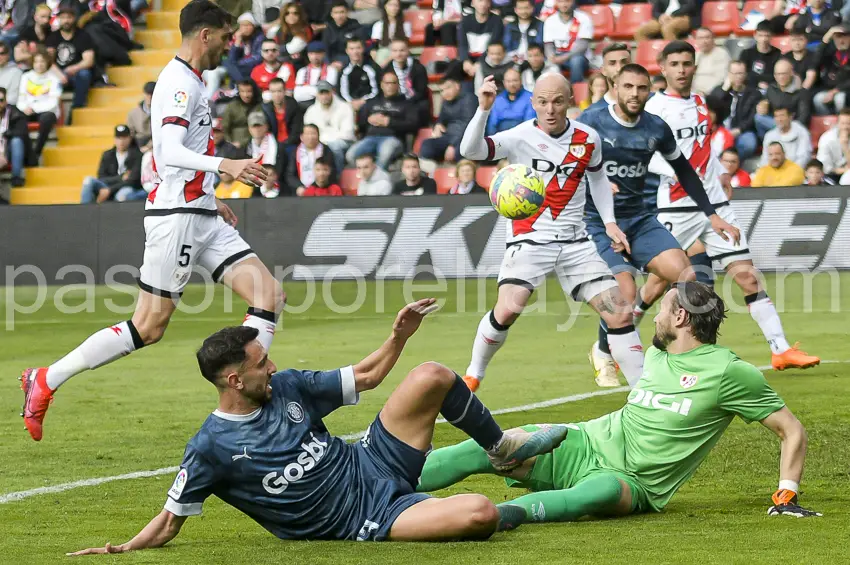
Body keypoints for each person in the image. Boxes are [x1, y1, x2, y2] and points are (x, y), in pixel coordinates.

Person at [67, 303, 571, 555]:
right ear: (234, 379)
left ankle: (501, 448)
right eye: (262, 363)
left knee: (432, 375)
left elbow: (369, 376)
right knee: (479, 513)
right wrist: (123, 548)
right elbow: (171, 518)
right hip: (368, 517)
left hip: (374, 459)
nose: (274, 366)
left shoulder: (286, 386)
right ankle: (526, 507)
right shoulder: (209, 448)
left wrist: (397, 337)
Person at [19, 0, 284, 443]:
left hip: (199, 209)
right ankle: (45, 379)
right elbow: (169, 152)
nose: (229, 45)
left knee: (269, 294)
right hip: (177, 218)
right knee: (148, 326)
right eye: (224, 37)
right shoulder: (178, 83)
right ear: (205, 35)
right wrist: (226, 165)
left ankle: (247, 401)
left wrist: (210, 194)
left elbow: (181, 161)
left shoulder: (195, 80)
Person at [417, 282, 823, 526]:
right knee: (483, 448)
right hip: (582, 443)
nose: (656, 318)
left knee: (600, 492)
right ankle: (377, 485)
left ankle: (501, 517)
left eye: (663, 310)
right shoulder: (657, 354)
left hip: (635, 484)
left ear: (681, 317)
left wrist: (786, 495)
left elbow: (792, 430)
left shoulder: (730, 372)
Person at [458, 73, 644, 392]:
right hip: (529, 239)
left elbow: (598, 180)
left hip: (576, 242)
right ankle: (474, 374)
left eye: (558, 101)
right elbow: (471, 150)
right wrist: (484, 108)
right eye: (542, 101)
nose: (550, 109)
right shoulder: (518, 137)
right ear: (533, 103)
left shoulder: (588, 138)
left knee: (620, 313)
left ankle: (645, 393)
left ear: (570, 101)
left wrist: (610, 222)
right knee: (509, 308)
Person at [642, 41, 819, 373]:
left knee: (748, 277)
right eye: (675, 64)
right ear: (662, 68)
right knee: (661, 285)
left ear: (695, 67)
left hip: (715, 203)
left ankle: (780, 349)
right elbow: (648, 159)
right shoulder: (654, 109)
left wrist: (718, 173)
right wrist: (682, 173)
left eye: (687, 63)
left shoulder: (700, 101)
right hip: (677, 205)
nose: (682, 69)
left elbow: (701, 148)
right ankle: (618, 334)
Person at [583, 58, 739, 388]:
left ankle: (682, 357)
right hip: (598, 222)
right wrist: (595, 183)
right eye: (628, 86)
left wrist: (712, 214)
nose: (635, 93)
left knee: (690, 280)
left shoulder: (655, 126)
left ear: (649, 91)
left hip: (639, 220)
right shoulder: (592, 121)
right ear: (615, 89)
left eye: (642, 88)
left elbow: (684, 169)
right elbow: (569, 163)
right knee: (625, 293)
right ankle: (603, 352)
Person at [347, 70, 415, 169]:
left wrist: (389, 122)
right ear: (382, 85)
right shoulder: (372, 102)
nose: (390, 86)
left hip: (392, 139)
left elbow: (412, 124)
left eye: (393, 83)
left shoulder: (406, 104)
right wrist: (368, 119)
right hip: (370, 138)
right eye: (387, 83)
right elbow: (360, 124)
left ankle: (376, 179)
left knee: (384, 154)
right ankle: (368, 177)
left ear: (398, 85)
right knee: (351, 155)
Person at [45, 4, 94, 114]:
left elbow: (89, 60)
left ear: (74, 18)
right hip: (58, 73)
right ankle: (51, 112)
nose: (66, 21)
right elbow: (48, 61)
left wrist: (74, 68)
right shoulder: (53, 37)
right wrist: (59, 74)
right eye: (63, 18)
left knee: (84, 74)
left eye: (69, 17)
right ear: (58, 19)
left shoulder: (83, 36)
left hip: (76, 73)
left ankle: (77, 109)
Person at [709, 61, 764, 160]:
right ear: (729, 74)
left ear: (745, 74)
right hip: (720, 129)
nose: (738, 77)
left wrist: (739, 130)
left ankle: (732, 163)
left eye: (741, 73)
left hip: (742, 130)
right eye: (735, 73)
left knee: (749, 144)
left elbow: (752, 118)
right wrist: (724, 90)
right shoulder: (720, 90)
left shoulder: (753, 94)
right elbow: (712, 108)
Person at [80, 125, 144, 203]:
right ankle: (86, 211)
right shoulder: (107, 155)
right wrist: (120, 178)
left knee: (123, 195)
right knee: (88, 180)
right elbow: (101, 177)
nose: (121, 141)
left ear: (129, 138)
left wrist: (110, 190)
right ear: (114, 139)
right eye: (118, 138)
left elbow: (132, 181)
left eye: (124, 138)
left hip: (124, 188)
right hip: (108, 186)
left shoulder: (137, 155)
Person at [17, 49, 61, 163]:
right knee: (17, 119)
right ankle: (26, 152)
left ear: (47, 63)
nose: (39, 64)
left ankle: (37, 152)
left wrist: (34, 108)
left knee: (48, 118)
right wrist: (24, 108)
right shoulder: (26, 77)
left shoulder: (54, 79)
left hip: (46, 111)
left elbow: (53, 103)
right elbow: (21, 99)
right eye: (36, 61)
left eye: (42, 61)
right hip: (28, 110)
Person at [420, 76, 477, 163]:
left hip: (466, 139)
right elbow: (441, 119)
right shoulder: (446, 102)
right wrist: (438, 125)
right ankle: (430, 173)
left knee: (460, 151)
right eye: (442, 90)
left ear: (457, 86)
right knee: (427, 145)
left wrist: (452, 145)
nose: (445, 93)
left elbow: (469, 125)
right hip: (449, 137)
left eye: (448, 88)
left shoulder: (469, 99)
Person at [304, 80, 355, 173]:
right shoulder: (311, 111)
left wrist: (326, 141)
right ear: (317, 94)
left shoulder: (344, 107)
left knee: (334, 147)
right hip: (321, 142)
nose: (324, 96)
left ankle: (338, 176)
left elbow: (347, 134)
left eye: (326, 92)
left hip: (343, 143)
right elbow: (308, 132)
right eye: (321, 93)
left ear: (332, 92)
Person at [382, 38, 430, 129]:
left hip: (414, 102)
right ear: (391, 53)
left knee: (421, 108)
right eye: (395, 51)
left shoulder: (418, 68)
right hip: (394, 102)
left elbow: (421, 92)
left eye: (402, 50)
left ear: (408, 51)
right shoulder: (387, 69)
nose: (398, 54)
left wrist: (407, 103)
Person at [542, 0, 591, 80]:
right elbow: (548, 44)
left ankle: (576, 89)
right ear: (556, 3)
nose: (564, 4)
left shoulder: (584, 18)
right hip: (557, 55)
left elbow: (582, 46)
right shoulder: (550, 20)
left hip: (578, 56)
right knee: (546, 62)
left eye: (567, 1)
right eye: (560, 1)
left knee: (576, 61)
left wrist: (563, 58)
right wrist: (551, 57)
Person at [285, 123, 336, 196]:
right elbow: (290, 174)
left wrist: (316, 187)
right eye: (307, 134)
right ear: (301, 137)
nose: (310, 137)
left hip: (322, 190)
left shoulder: (326, 151)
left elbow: (331, 172)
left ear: (318, 136)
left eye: (313, 134)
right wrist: (299, 186)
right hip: (302, 191)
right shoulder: (295, 152)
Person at [458, 0, 504, 80]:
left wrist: (480, 62)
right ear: (472, 3)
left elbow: (493, 45)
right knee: (454, 67)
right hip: (469, 57)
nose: (483, 4)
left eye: (486, 1)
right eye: (479, 1)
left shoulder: (497, 21)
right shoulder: (465, 21)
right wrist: (465, 60)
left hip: (488, 58)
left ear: (489, 3)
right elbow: (462, 44)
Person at [811, 24, 850, 115]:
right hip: (829, 89)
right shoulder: (830, 53)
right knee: (818, 99)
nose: (841, 40)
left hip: (846, 90)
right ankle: (829, 122)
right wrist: (825, 40)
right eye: (838, 37)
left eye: (845, 37)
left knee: (839, 98)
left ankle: (842, 122)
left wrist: (836, 90)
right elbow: (815, 62)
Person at [260, 77, 303, 160]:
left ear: (284, 91)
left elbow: (296, 130)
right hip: (273, 144)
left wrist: (285, 144)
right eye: (273, 91)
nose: (276, 95)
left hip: (292, 144)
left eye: (279, 91)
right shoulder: (266, 108)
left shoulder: (293, 106)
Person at [485, 67, 534, 135]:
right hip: (500, 139)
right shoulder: (498, 99)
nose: (512, 84)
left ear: (521, 81)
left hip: (522, 137)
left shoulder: (530, 97)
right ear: (504, 83)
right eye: (508, 81)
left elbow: (529, 124)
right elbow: (492, 125)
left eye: (515, 81)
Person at [764, 58, 811, 128]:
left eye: (784, 74)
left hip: (794, 128)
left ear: (791, 73)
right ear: (774, 76)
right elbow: (766, 108)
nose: (781, 77)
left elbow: (803, 118)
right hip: (774, 126)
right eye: (778, 74)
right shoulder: (771, 89)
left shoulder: (802, 92)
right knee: (758, 117)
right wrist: (763, 107)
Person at [586, 43, 630, 112]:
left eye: (624, 62)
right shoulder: (590, 114)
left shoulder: (650, 103)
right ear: (603, 70)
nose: (619, 68)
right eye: (612, 63)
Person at [339, 37, 379, 112]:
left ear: (363, 49)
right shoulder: (344, 70)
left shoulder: (373, 68)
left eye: (358, 48)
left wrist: (362, 101)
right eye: (352, 49)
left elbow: (376, 91)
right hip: (349, 105)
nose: (355, 52)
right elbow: (342, 92)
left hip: (369, 104)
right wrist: (351, 102)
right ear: (347, 51)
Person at [740, 21, 782, 91]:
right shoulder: (746, 53)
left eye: (767, 36)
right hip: (749, 90)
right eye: (760, 35)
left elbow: (777, 77)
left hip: (770, 90)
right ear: (755, 35)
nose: (763, 39)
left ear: (772, 36)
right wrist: (757, 83)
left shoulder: (777, 54)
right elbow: (742, 75)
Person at [293, 42, 338, 106]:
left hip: (326, 105)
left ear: (324, 54)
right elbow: (297, 95)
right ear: (308, 55)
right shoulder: (302, 71)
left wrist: (306, 89)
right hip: (305, 105)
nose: (315, 56)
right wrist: (317, 90)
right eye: (311, 53)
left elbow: (327, 92)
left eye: (318, 53)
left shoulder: (331, 70)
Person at [221, 79, 262, 149]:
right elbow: (224, 127)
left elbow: (260, 128)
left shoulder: (259, 106)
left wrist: (243, 143)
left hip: (255, 142)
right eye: (242, 91)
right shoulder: (232, 106)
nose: (246, 95)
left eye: (249, 91)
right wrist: (230, 143)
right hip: (234, 144)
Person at [0, 85, 28, 186]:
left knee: (17, 141)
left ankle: (16, 177)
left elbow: (22, 131)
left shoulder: (14, 113)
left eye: (1, 100)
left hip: (7, 149)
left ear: (6, 101)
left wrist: (5, 134)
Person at [323, 0, 361, 68]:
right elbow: (325, 50)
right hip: (333, 62)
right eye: (336, 12)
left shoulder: (356, 27)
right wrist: (330, 63)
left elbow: (360, 49)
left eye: (342, 12)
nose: (339, 16)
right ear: (331, 14)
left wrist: (344, 63)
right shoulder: (328, 29)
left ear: (347, 12)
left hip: (352, 61)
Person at [503, 0, 543, 64]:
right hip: (513, 59)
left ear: (532, 8)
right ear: (515, 10)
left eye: (526, 8)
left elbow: (539, 43)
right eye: (520, 8)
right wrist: (512, 56)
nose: (523, 11)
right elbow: (506, 44)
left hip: (533, 59)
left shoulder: (539, 24)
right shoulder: (510, 26)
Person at [693, 28, 730, 96]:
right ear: (696, 40)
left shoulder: (721, 53)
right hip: (694, 94)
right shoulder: (696, 55)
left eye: (707, 37)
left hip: (711, 95)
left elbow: (721, 80)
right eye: (700, 38)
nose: (704, 41)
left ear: (713, 39)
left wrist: (704, 93)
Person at [815, 107, 850, 179]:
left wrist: (845, 147)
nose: (845, 127)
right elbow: (824, 167)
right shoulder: (826, 138)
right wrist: (843, 170)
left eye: (849, 124)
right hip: (830, 176)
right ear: (837, 123)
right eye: (843, 123)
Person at [126, 81, 155, 153]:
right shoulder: (133, 113)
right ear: (144, 94)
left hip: (156, 146)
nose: (150, 97)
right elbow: (129, 133)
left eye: (152, 94)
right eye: (148, 94)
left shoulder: (163, 113)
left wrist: (149, 146)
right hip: (138, 146)